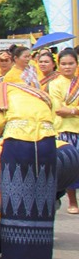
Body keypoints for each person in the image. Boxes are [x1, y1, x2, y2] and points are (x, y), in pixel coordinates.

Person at [0, 57, 58, 259]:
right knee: (41, 204)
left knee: (14, 203)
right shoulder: (40, 93)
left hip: (18, 144)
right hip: (46, 144)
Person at [50, 48, 79, 213]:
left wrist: (71, 110)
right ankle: (72, 202)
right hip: (63, 130)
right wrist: (75, 110)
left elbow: (66, 109)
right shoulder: (54, 84)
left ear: (76, 64)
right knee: (70, 167)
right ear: (58, 65)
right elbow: (59, 109)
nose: (67, 67)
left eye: (71, 63)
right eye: (64, 64)